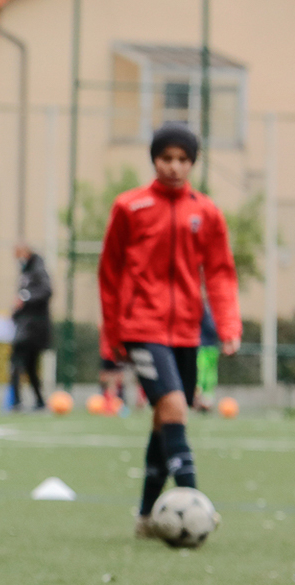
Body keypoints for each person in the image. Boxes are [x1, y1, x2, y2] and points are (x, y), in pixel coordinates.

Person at [97, 123, 239, 536]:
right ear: (154, 160)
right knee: (174, 405)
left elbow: (220, 272)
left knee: (165, 419)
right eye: (166, 158)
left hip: (187, 331)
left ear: (192, 162)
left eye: (182, 159)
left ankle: (145, 516)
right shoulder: (130, 207)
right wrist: (112, 338)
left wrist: (227, 323)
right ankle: (195, 505)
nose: (174, 167)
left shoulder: (207, 212)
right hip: (141, 325)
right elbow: (110, 275)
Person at [8, 243, 52, 412]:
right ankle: (37, 401)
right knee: (28, 366)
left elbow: (46, 291)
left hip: (32, 329)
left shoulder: (38, 270)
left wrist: (25, 298)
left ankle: (18, 402)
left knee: (19, 364)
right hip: (25, 326)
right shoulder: (26, 272)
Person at [195, 300, 221, 412]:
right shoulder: (202, 308)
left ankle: (207, 401)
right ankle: (197, 401)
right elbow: (210, 327)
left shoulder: (214, 309)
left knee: (210, 377)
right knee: (200, 375)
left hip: (212, 347)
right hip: (201, 346)